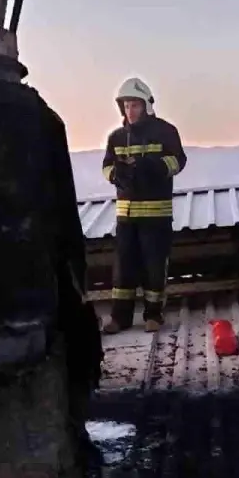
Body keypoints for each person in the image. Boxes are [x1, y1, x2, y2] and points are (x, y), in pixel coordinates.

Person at [100, 77, 187, 333]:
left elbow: (178, 161)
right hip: (126, 216)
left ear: (147, 106)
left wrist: (154, 167)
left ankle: (153, 315)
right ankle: (120, 318)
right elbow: (106, 166)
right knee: (123, 268)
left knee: (154, 266)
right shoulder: (116, 137)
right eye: (126, 106)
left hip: (156, 214)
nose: (130, 111)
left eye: (135, 105)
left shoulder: (166, 131)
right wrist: (116, 174)